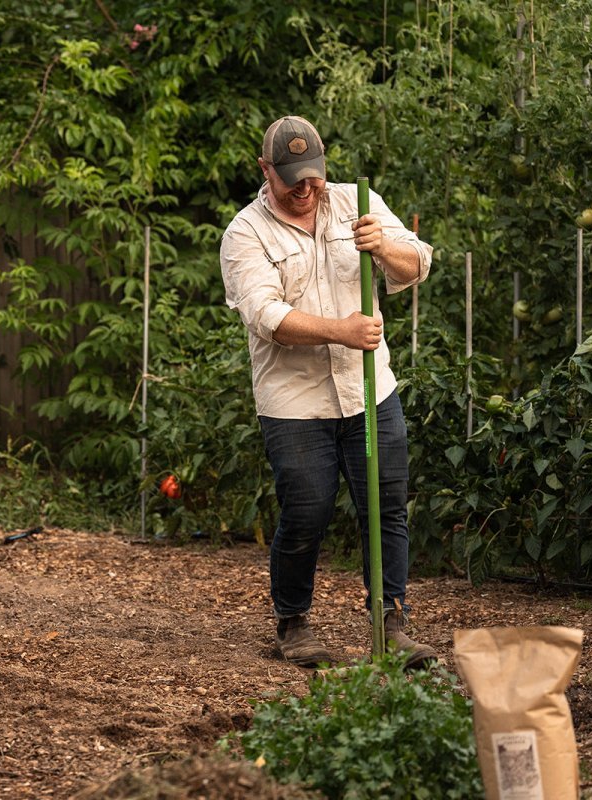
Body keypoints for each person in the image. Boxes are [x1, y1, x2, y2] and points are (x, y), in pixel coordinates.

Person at [219, 115, 436, 668]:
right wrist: (341, 330)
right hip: (295, 404)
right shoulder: (246, 233)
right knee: (308, 509)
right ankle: (292, 621)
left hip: (369, 394)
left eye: (312, 175)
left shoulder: (354, 203)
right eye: (290, 177)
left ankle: (390, 622)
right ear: (265, 169)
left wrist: (383, 245)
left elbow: (419, 262)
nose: (304, 188)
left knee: (385, 506)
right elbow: (265, 315)